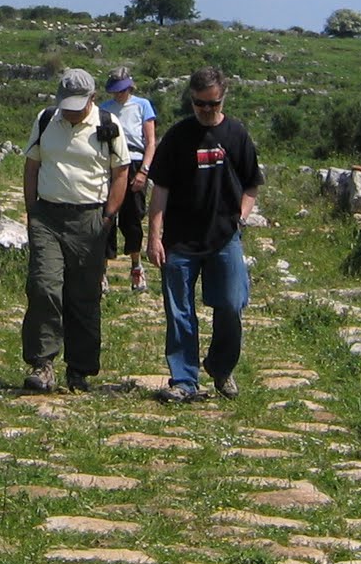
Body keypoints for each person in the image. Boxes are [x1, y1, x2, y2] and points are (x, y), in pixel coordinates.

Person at [147, 66, 261, 402]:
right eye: (199, 104)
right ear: (191, 100)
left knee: (230, 304)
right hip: (180, 238)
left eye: (212, 104)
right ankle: (184, 380)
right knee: (179, 311)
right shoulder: (177, 136)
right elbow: (160, 189)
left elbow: (252, 184)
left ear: (223, 97)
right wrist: (154, 235)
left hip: (224, 236)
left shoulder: (237, 134)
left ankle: (221, 367)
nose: (206, 111)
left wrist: (240, 217)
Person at [21, 66, 130, 393]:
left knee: (84, 295)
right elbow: (32, 165)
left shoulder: (108, 125)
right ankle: (42, 364)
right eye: (66, 104)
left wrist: (108, 216)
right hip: (48, 217)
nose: (70, 112)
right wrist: (32, 211)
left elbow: (122, 171)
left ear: (93, 99)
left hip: (90, 219)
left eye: (77, 105)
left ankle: (79, 370)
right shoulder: (45, 120)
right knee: (44, 285)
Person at [100, 68, 157, 292]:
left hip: (134, 160)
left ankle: (136, 266)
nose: (119, 95)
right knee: (107, 215)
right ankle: (102, 270)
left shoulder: (142, 105)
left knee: (132, 218)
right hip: (111, 161)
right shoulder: (104, 109)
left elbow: (150, 141)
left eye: (122, 90)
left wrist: (144, 170)